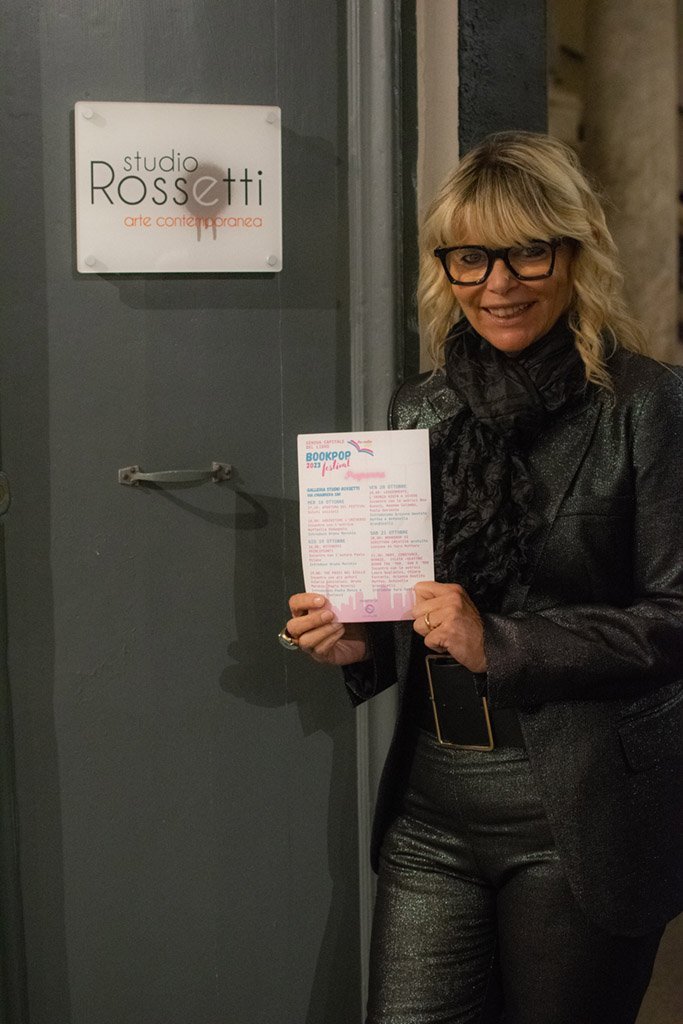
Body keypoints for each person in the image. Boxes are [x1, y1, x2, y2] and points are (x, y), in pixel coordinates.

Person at [280, 132, 683, 1024]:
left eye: (526, 253)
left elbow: (673, 615)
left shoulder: (645, 404)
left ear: (573, 253)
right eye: (470, 257)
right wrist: (357, 639)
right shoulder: (420, 407)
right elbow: (412, 604)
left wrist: (498, 640)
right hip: (432, 804)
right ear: (445, 268)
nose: (497, 283)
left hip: (577, 809)